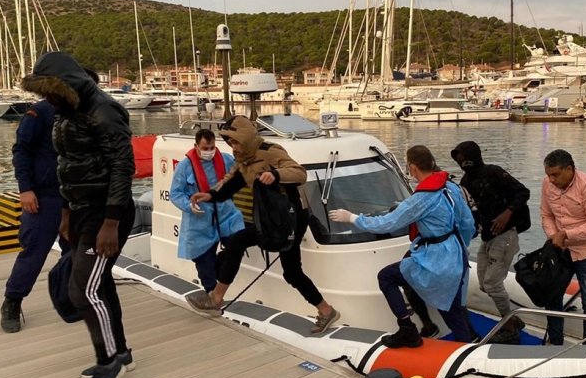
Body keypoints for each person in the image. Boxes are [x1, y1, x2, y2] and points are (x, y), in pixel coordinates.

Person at [21, 51, 136, 378]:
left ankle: (109, 362)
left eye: (50, 91)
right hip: (82, 211)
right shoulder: (64, 112)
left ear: (66, 85)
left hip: (107, 215)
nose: (46, 99)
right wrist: (68, 213)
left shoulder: (103, 110)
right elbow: (68, 165)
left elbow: (122, 166)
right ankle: (122, 352)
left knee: (83, 290)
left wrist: (110, 223)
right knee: (99, 285)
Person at [186, 116, 340, 334]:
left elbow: (299, 173)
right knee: (246, 247)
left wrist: (275, 175)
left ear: (246, 138)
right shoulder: (244, 159)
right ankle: (326, 311)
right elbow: (231, 182)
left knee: (288, 270)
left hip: (291, 217)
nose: (233, 147)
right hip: (272, 218)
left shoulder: (270, 151)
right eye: (230, 143)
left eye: (236, 142)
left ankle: (216, 298)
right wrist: (210, 195)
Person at [330, 146, 476, 348]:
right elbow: (467, 223)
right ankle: (468, 345)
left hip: (437, 259)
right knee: (452, 308)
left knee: (386, 277)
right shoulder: (450, 188)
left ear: (413, 168)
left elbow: (388, 223)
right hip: (456, 253)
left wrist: (352, 218)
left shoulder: (421, 200)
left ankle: (408, 329)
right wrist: (459, 249)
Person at [0, 100, 69, 333]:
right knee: (33, 251)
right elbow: (21, 150)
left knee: (75, 252)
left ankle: (70, 297)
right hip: (44, 196)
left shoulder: (83, 111)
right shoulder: (39, 112)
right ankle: (12, 301)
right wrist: (25, 189)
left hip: (75, 195)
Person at [451, 141, 531, 344]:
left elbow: (523, 192)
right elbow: (470, 211)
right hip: (488, 236)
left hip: (506, 235)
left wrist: (507, 213)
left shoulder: (494, 172)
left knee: (492, 283)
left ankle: (510, 326)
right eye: (459, 160)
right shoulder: (466, 181)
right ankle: (513, 319)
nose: (462, 163)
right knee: (485, 284)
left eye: (465, 158)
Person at [540, 149, 586, 345]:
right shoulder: (547, 184)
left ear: (569, 169)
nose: (551, 180)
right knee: (552, 296)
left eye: (555, 174)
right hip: (560, 250)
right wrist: (554, 235)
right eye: (548, 175)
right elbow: (546, 214)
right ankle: (555, 342)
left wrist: (566, 235)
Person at [169, 129, 244, 292]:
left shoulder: (226, 160)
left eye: (212, 148)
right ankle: (211, 294)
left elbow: (241, 174)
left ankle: (221, 274)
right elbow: (175, 193)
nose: (209, 152)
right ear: (196, 146)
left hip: (226, 214)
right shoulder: (184, 167)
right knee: (204, 262)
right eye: (205, 148)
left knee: (237, 245)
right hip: (199, 219)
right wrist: (189, 206)